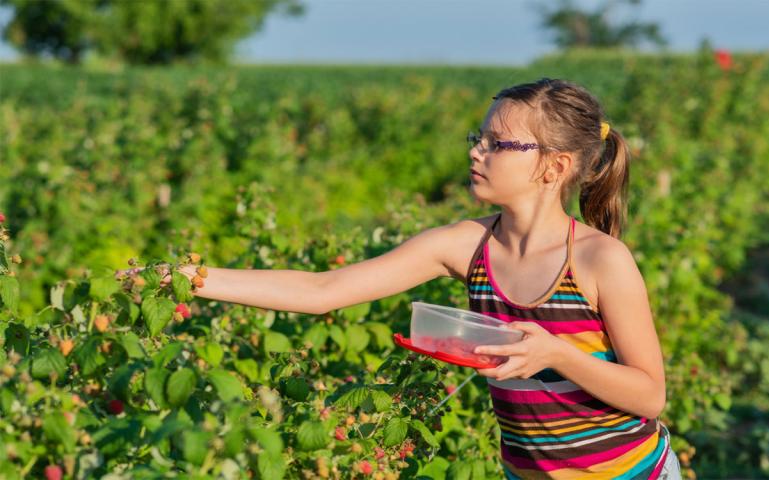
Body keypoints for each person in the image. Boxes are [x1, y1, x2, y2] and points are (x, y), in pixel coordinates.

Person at [121, 78, 681, 479]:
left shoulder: (600, 260)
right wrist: (191, 278)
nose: (476, 151)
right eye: (477, 137)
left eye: (497, 144)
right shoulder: (467, 246)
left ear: (553, 167)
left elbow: (649, 394)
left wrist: (557, 355)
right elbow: (324, 291)